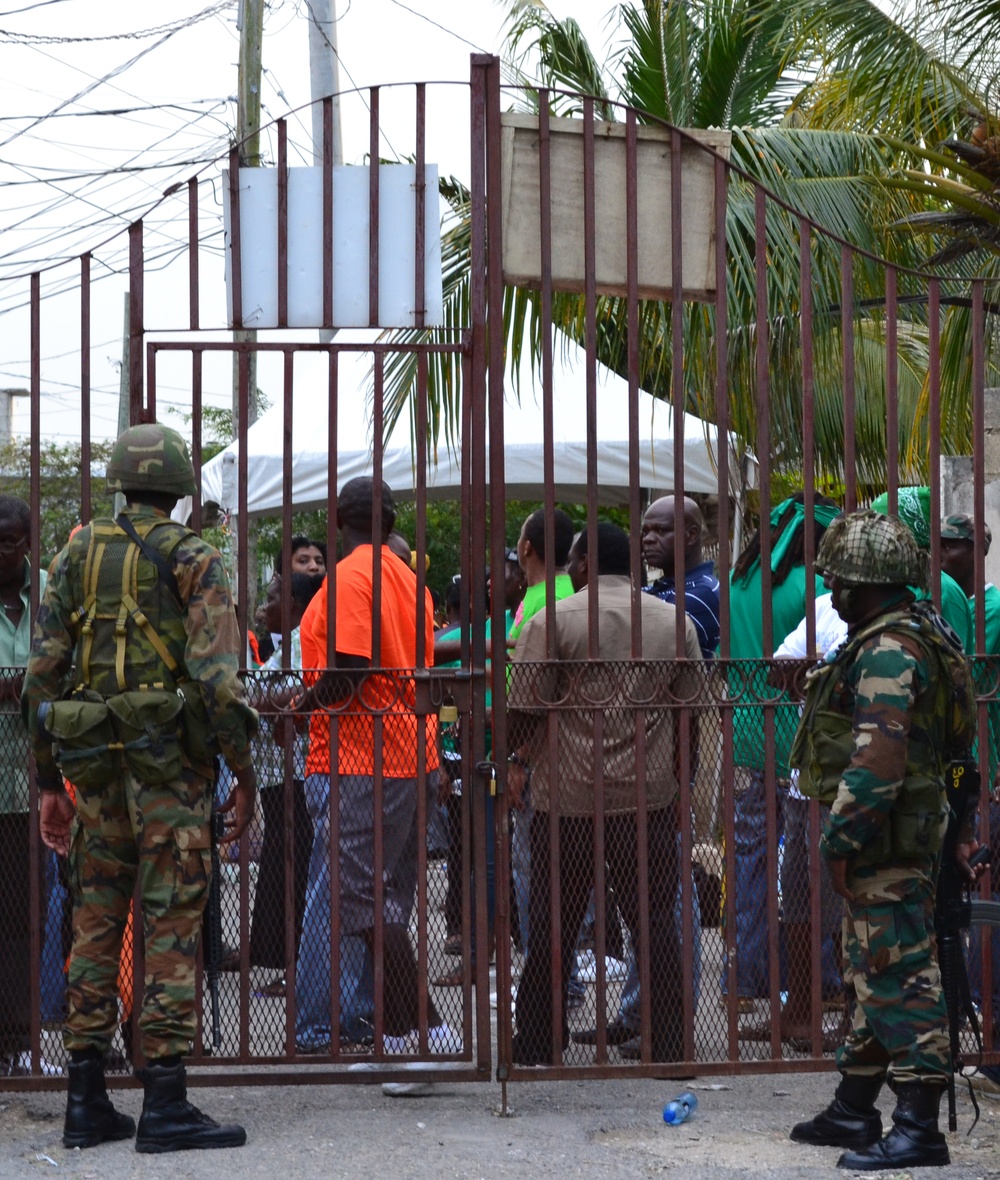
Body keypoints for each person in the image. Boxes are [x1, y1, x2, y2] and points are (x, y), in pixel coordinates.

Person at [22, 422, 259, 1153]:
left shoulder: (75, 553)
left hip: (93, 775)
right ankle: (165, 1102)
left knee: (94, 927)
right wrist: (244, 773)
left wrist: (46, 780)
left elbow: (42, 673)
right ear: (182, 485)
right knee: (170, 929)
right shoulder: (194, 557)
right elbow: (220, 683)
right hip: (169, 779)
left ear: (122, 479)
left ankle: (85, 1099)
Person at [788, 509, 978, 1170]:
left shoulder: (888, 651)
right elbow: (958, 747)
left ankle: (919, 1127)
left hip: (884, 839)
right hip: (904, 833)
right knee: (875, 962)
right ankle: (854, 1107)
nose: (832, 589)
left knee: (900, 973)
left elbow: (877, 764)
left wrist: (839, 842)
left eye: (837, 579)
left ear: (857, 586)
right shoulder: (910, 633)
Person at [508, 521, 702, 1065]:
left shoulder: (553, 621)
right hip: (647, 796)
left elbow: (525, 708)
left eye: (572, 562)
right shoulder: (674, 622)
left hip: (566, 795)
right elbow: (690, 716)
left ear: (586, 563)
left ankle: (540, 1041)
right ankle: (668, 1043)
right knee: (654, 920)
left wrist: (509, 760)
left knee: (554, 921)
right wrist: (681, 782)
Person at [293, 477, 454, 1059]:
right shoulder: (411, 580)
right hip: (415, 750)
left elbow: (348, 671)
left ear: (340, 520)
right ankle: (364, 1011)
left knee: (339, 893)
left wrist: (296, 706)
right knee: (384, 893)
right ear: (390, 521)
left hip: (358, 752)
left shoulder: (349, 579)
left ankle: (322, 1021)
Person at [724, 493, 840, 1004]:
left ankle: (748, 978)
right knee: (810, 867)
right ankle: (820, 983)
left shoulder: (740, 581)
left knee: (750, 862)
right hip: (794, 736)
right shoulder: (816, 589)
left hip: (744, 731)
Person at [248, 572, 324, 999]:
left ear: (293, 603)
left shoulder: (300, 640)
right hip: (283, 775)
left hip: (299, 774)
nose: (266, 605)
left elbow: (290, 691)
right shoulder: (284, 645)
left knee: (296, 871)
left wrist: (260, 702)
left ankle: (299, 968)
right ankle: (292, 964)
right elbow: (261, 690)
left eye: (274, 597)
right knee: (285, 870)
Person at [0, 495, 48, 1078]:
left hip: (38, 782)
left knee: (25, 914)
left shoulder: (49, 596)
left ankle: (16, 1035)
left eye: (12, 541)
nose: (4, 551)